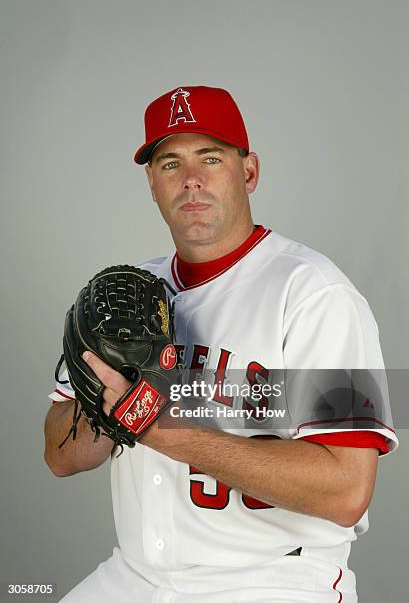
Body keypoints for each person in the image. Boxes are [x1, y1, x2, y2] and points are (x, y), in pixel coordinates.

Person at [44, 85, 398, 603]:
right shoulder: (126, 297)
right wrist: (107, 407)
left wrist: (164, 429)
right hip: (137, 575)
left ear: (248, 171)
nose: (191, 180)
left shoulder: (315, 294)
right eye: (170, 164)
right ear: (151, 183)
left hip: (271, 579)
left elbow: (346, 491)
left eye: (210, 158)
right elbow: (59, 455)